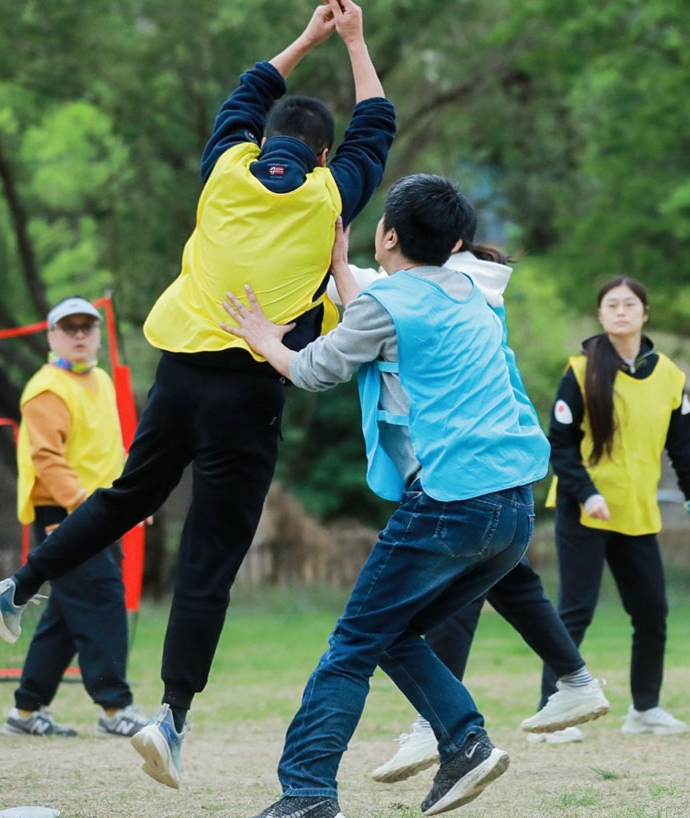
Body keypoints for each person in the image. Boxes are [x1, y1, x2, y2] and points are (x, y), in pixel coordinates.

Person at [0, 0, 396, 790]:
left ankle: (15, 585)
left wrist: (306, 38)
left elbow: (248, 90)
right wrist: (354, 42)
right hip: (248, 393)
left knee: (126, 494)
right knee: (208, 559)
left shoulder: (223, 170)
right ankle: (170, 717)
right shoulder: (331, 197)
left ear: (262, 140)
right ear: (323, 155)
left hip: (178, 376)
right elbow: (378, 122)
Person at [222, 174, 550, 818]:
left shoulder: (391, 301)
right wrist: (344, 268)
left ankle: (308, 791)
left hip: (451, 502)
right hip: (512, 506)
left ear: (390, 234)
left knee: (351, 645)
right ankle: (465, 744)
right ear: (456, 241)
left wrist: (265, 337)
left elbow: (319, 367)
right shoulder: (468, 291)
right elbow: (386, 315)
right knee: (393, 632)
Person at [322, 229, 610, 786]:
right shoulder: (472, 284)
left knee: (430, 603)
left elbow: (366, 304)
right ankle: (572, 681)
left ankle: (441, 728)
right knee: (506, 582)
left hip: (455, 471)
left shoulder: (448, 289)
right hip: (498, 468)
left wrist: (334, 262)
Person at [540, 276, 690, 740]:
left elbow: (684, 450)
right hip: (585, 510)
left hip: (637, 512)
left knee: (652, 611)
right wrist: (588, 492)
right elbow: (559, 446)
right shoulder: (580, 371)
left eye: (630, 304)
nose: (621, 311)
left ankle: (645, 710)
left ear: (645, 313)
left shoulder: (670, 376)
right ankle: (550, 714)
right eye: (611, 305)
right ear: (600, 315)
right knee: (575, 610)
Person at [3, 296, 146, 739]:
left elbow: (111, 452)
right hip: (66, 512)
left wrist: (133, 501)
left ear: (99, 334)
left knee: (65, 616)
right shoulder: (47, 388)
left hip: (98, 512)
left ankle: (26, 714)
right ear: (52, 336)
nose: (80, 334)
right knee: (102, 600)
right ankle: (114, 710)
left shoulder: (100, 379)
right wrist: (90, 508)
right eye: (70, 327)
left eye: (88, 326)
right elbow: (46, 459)